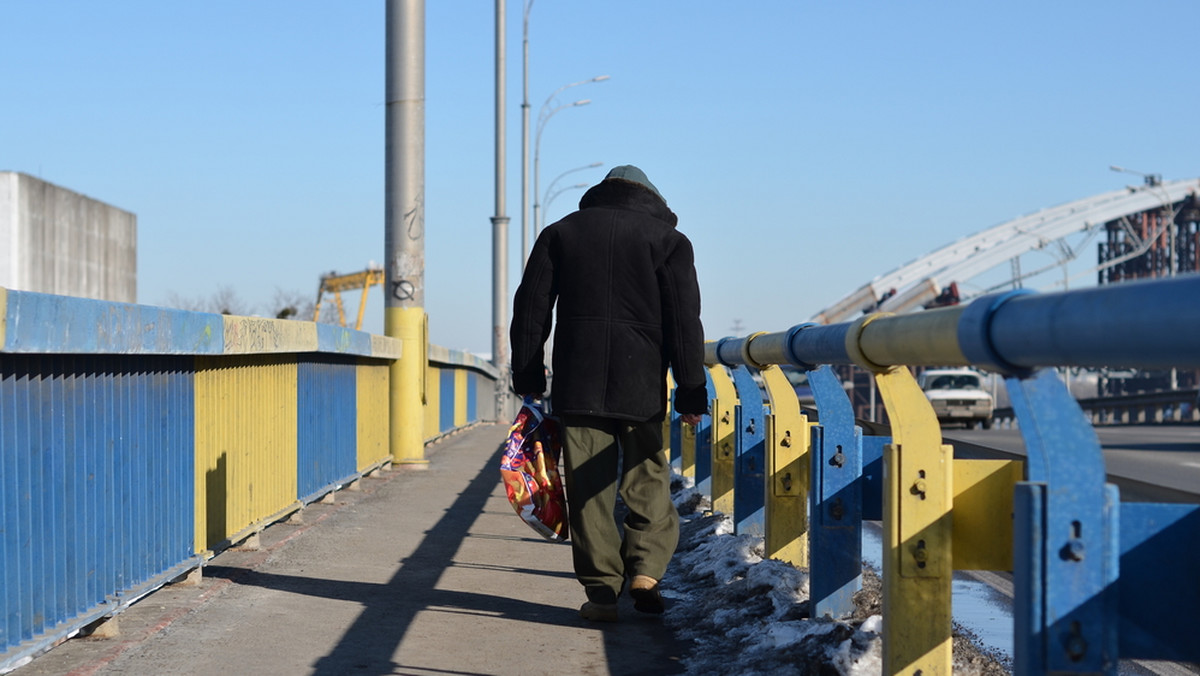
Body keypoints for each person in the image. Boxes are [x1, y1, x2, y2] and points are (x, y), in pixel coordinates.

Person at [510, 164, 708, 623]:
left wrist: (528, 375)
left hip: (578, 380)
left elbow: (531, 307)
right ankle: (646, 572)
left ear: (602, 193)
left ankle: (601, 591)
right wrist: (691, 391)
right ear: (650, 197)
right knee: (647, 476)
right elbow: (684, 323)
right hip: (641, 382)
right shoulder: (669, 242)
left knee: (586, 488)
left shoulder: (561, 233)